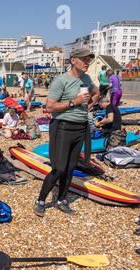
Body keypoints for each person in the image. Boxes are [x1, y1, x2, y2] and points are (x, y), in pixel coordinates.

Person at [34, 48, 99, 217]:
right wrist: (74, 102)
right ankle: (41, 200)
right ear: (73, 60)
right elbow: (49, 107)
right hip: (62, 127)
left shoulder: (86, 79)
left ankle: (62, 200)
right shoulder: (60, 81)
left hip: (81, 127)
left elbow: (96, 92)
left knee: (70, 168)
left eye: (88, 59)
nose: (87, 62)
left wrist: (88, 105)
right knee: (59, 168)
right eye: (83, 59)